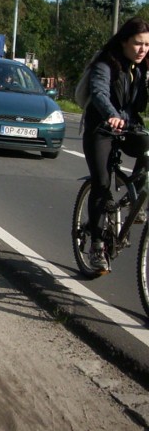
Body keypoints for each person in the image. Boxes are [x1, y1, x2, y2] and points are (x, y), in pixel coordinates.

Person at [82, 16, 149, 271]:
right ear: (123, 42)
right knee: (101, 183)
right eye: (137, 44)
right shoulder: (105, 64)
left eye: (147, 45)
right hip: (101, 128)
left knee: (147, 147)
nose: (142, 49)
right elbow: (99, 92)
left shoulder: (143, 69)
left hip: (129, 126)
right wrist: (111, 114)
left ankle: (136, 201)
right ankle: (97, 246)